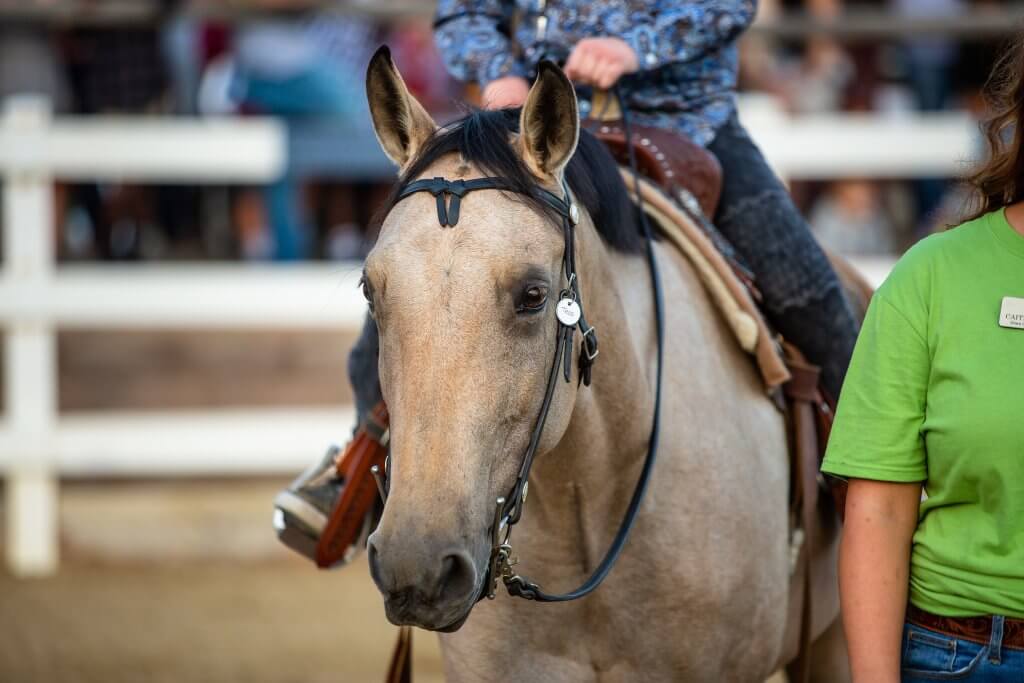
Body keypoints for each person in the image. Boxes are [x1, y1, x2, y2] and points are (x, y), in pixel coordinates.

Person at [277, 0, 861, 560]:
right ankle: (359, 473)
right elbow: (465, 10)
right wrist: (497, 71)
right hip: (527, 130)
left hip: (687, 125)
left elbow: (728, 5)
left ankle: (867, 492)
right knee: (409, 292)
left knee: (811, 295)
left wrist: (634, 47)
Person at [820, 40, 1024, 682]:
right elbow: (879, 509)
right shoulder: (931, 275)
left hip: (700, 124)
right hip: (962, 654)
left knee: (800, 291)